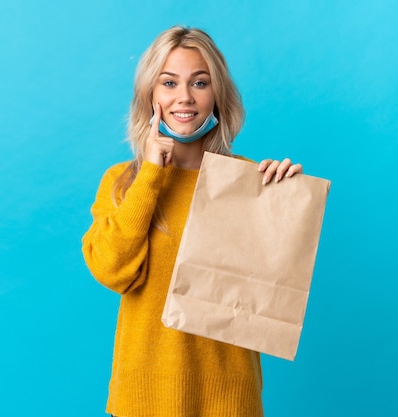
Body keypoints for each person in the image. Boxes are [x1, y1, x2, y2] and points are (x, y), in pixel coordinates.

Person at [82, 26, 302, 417]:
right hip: (142, 400)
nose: (184, 97)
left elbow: (271, 293)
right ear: (151, 94)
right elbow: (111, 271)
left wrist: (282, 202)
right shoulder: (122, 182)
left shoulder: (248, 181)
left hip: (229, 401)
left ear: (217, 94)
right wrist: (150, 176)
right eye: (169, 83)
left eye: (200, 82)